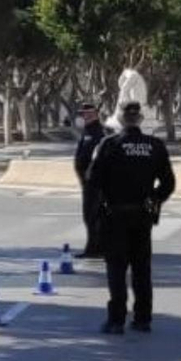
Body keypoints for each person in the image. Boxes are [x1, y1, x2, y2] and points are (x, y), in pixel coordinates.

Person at [84, 101, 175, 334]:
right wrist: (154, 199)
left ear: (121, 119)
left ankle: (116, 320)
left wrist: (98, 207)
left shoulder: (109, 144)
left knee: (116, 269)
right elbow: (168, 183)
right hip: (142, 216)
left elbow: (92, 179)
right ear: (140, 119)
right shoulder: (154, 146)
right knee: (141, 269)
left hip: (114, 215)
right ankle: (143, 318)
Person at [73, 102, 108, 257]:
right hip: (87, 182)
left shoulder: (99, 132)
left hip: (95, 182)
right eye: (83, 113)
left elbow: (99, 157)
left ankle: (95, 249)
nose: (85, 116)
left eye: (88, 113)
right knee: (90, 216)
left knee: (93, 215)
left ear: (95, 114)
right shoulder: (87, 131)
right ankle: (95, 247)